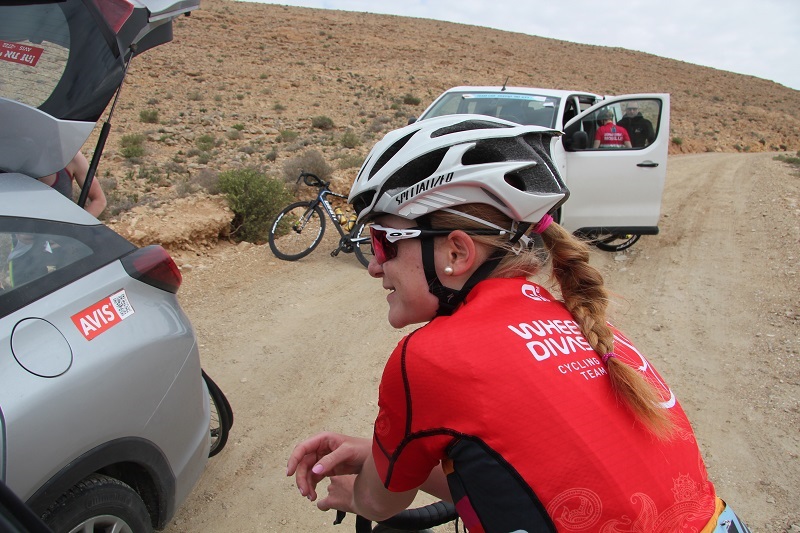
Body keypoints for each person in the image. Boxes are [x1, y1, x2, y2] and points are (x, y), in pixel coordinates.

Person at [286, 115, 749, 532]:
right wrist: (380, 456)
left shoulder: (429, 358)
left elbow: (378, 502)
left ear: (457, 252)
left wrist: (361, 493)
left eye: (384, 242)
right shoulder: (583, 322)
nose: (373, 266)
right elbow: (538, 489)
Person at [38, 151, 107, 217]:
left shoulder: (71, 157)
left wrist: (79, 223)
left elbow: (99, 200)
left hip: (64, 224)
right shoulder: (31, 157)